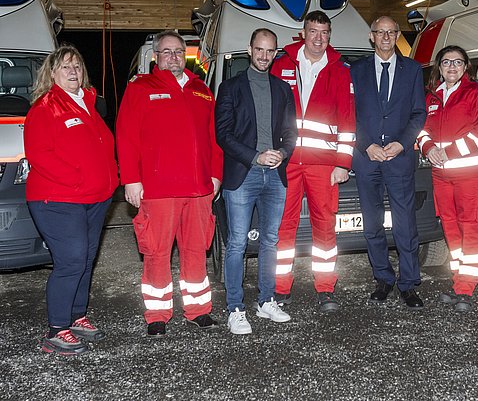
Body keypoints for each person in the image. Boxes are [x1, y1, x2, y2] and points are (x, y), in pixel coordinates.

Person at [116, 30, 223, 337]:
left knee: (195, 250)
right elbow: (125, 136)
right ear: (156, 57)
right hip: (158, 189)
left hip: (199, 188)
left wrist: (216, 175)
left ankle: (199, 310)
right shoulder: (141, 87)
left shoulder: (201, 89)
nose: (173, 56)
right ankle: (158, 314)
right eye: (167, 52)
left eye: (178, 52)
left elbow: (214, 138)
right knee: (157, 252)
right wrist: (131, 180)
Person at [25, 44, 118, 355]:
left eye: (77, 66)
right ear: (52, 74)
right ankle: (56, 330)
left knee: (86, 260)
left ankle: (77, 316)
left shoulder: (87, 104)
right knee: (71, 262)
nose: (73, 72)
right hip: (59, 200)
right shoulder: (46, 107)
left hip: (94, 199)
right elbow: (40, 156)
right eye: (65, 67)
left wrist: (110, 177)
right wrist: (79, 179)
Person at [270, 10, 356, 312]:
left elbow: (348, 120)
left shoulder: (340, 70)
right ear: (303, 33)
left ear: (329, 35)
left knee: (325, 226)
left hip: (323, 164)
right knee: (284, 226)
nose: (319, 38)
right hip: (288, 161)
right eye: (313, 31)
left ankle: (325, 288)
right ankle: (280, 289)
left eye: (324, 32)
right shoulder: (282, 64)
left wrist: (343, 162)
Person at [215, 28, 297, 334]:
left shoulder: (282, 88)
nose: (264, 56)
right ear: (250, 50)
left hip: (275, 175)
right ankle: (235, 308)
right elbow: (223, 134)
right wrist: (255, 156)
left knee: (271, 242)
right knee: (236, 243)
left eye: (270, 51)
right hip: (243, 174)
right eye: (259, 50)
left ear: (276, 53)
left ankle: (266, 301)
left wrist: (283, 152)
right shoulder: (230, 87)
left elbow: (292, 132)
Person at [350, 16, 427, 309]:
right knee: (372, 224)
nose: (385, 37)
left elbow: (419, 113)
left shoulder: (412, 69)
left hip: (399, 158)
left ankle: (408, 283)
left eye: (390, 32)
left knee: (405, 224)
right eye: (380, 32)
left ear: (397, 35)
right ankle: (383, 278)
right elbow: (349, 114)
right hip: (367, 158)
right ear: (371, 36)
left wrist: (402, 143)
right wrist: (366, 144)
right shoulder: (356, 70)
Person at [417, 46, 478, 312]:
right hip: (442, 176)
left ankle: (466, 287)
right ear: (439, 67)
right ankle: (458, 280)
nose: (452, 67)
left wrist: (445, 152)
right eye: (446, 62)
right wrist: (428, 149)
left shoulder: (477, 93)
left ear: (465, 67)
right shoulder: (433, 97)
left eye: (457, 62)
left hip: (471, 176)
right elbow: (422, 129)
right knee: (450, 229)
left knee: (471, 230)